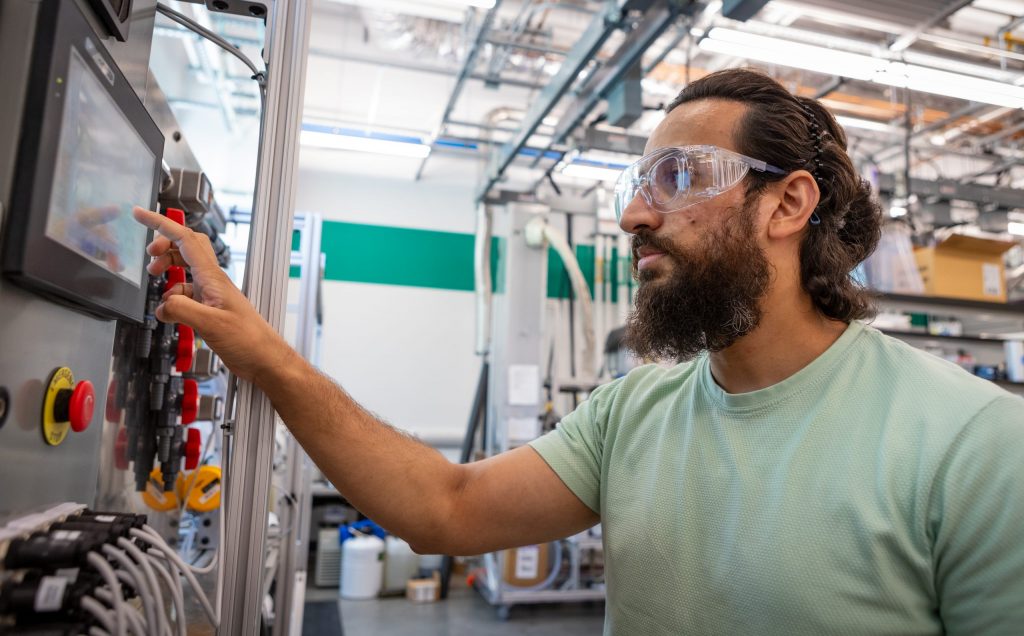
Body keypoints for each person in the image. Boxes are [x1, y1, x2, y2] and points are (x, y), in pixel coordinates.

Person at [133, 68, 1024, 635]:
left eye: (679, 178)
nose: (636, 213)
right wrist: (268, 358)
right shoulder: (634, 411)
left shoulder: (972, 442)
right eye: (638, 184)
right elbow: (447, 508)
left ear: (787, 206)